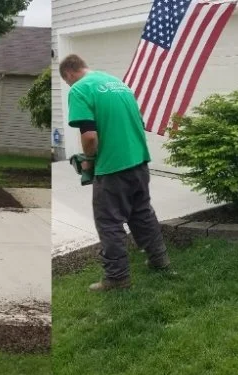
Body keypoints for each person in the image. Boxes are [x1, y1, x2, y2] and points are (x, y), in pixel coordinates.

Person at [59, 54, 170, 292]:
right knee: (142, 213)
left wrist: (89, 161)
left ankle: (117, 278)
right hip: (138, 160)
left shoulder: (79, 89)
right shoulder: (120, 84)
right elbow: (137, 123)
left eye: (68, 82)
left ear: (69, 74)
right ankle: (160, 260)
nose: (70, 85)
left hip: (112, 167)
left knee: (109, 222)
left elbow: (89, 137)